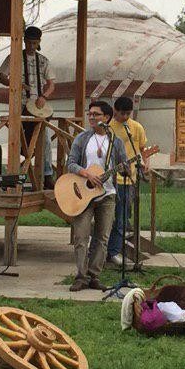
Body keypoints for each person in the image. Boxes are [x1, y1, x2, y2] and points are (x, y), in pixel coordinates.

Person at [66, 101, 127, 292]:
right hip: (83, 195)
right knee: (81, 237)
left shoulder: (116, 141)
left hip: (107, 195)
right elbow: (71, 163)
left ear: (106, 118)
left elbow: (123, 166)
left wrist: (126, 168)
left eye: (96, 114)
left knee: (102, 238)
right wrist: (86, 174)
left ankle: (94, 276)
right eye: (90, 113)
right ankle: (81, 277)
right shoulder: (82, 138)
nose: (91, 117)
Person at [0, 25, 56, 189]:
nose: (31, 46)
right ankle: (13, 176)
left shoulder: (43, 61)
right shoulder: (14, 57)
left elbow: (51, 84)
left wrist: (44, 97)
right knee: (17, 140)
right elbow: (1, 77)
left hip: (37, 108)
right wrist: (15, 84)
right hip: (19, 106)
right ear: (24, 41)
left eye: (34, 43)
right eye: (29, 42)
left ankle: (47, 175)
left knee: (44, 140)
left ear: (39, 42)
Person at [104, 96, 148, 266]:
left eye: (127, 114)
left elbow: (143, 149)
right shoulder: (107, 127)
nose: (124, 117)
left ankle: (114, 252)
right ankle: (102, 250)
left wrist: (145, 163)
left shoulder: (136, 127)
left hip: (129, 179)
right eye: (121, 113)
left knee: (122, 216)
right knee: (107, 216)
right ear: (114, 110)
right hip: (110, 179)